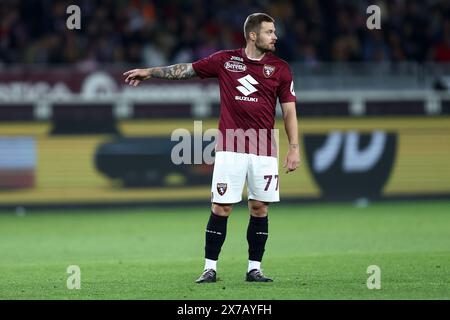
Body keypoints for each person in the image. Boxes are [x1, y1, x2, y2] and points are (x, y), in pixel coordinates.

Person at [123, 13, 300, 283]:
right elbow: (187, 70)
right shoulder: (226, 60)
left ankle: (254, 268)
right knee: (221, 208)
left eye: (274, 31)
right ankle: (210, 268)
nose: (275, 36)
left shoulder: (281, 69)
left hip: (265, 149)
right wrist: (151, 72)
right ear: (253, 35)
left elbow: (289, 112)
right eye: (269, 31)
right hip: (231, 147)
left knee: (259, 208)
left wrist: (294, 148)